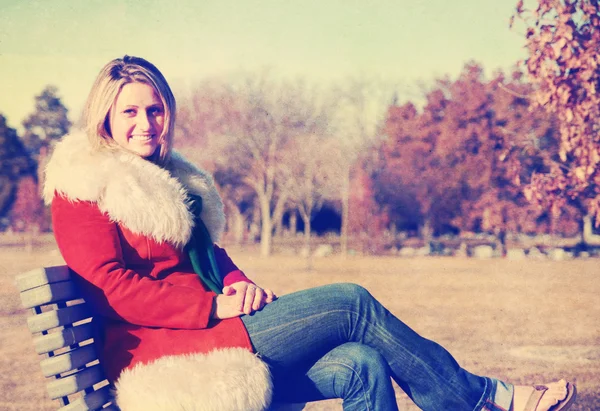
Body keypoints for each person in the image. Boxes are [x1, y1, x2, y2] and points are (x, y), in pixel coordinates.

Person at [45, 55, 576, 411]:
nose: (147, 122)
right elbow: (112, 286)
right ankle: (483, 398)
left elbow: (210, 258)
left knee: (362, 364)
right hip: (166, 357)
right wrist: (212, 309)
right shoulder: (86, 187)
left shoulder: (172, 182)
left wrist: (237, 286)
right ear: (105, 119)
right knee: (352, 302)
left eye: (156, 109)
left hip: (215, 333)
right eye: (131, 111)